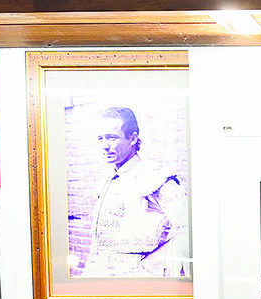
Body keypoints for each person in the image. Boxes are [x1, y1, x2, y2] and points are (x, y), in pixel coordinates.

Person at [80, 106, 189, 278]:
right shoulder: (107, 181)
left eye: (112, 138)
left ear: (133, 138)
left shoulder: (156, 177)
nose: (105, 146)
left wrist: (147, 270)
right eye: (100, 138)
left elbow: (186, 231)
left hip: (137, 281)